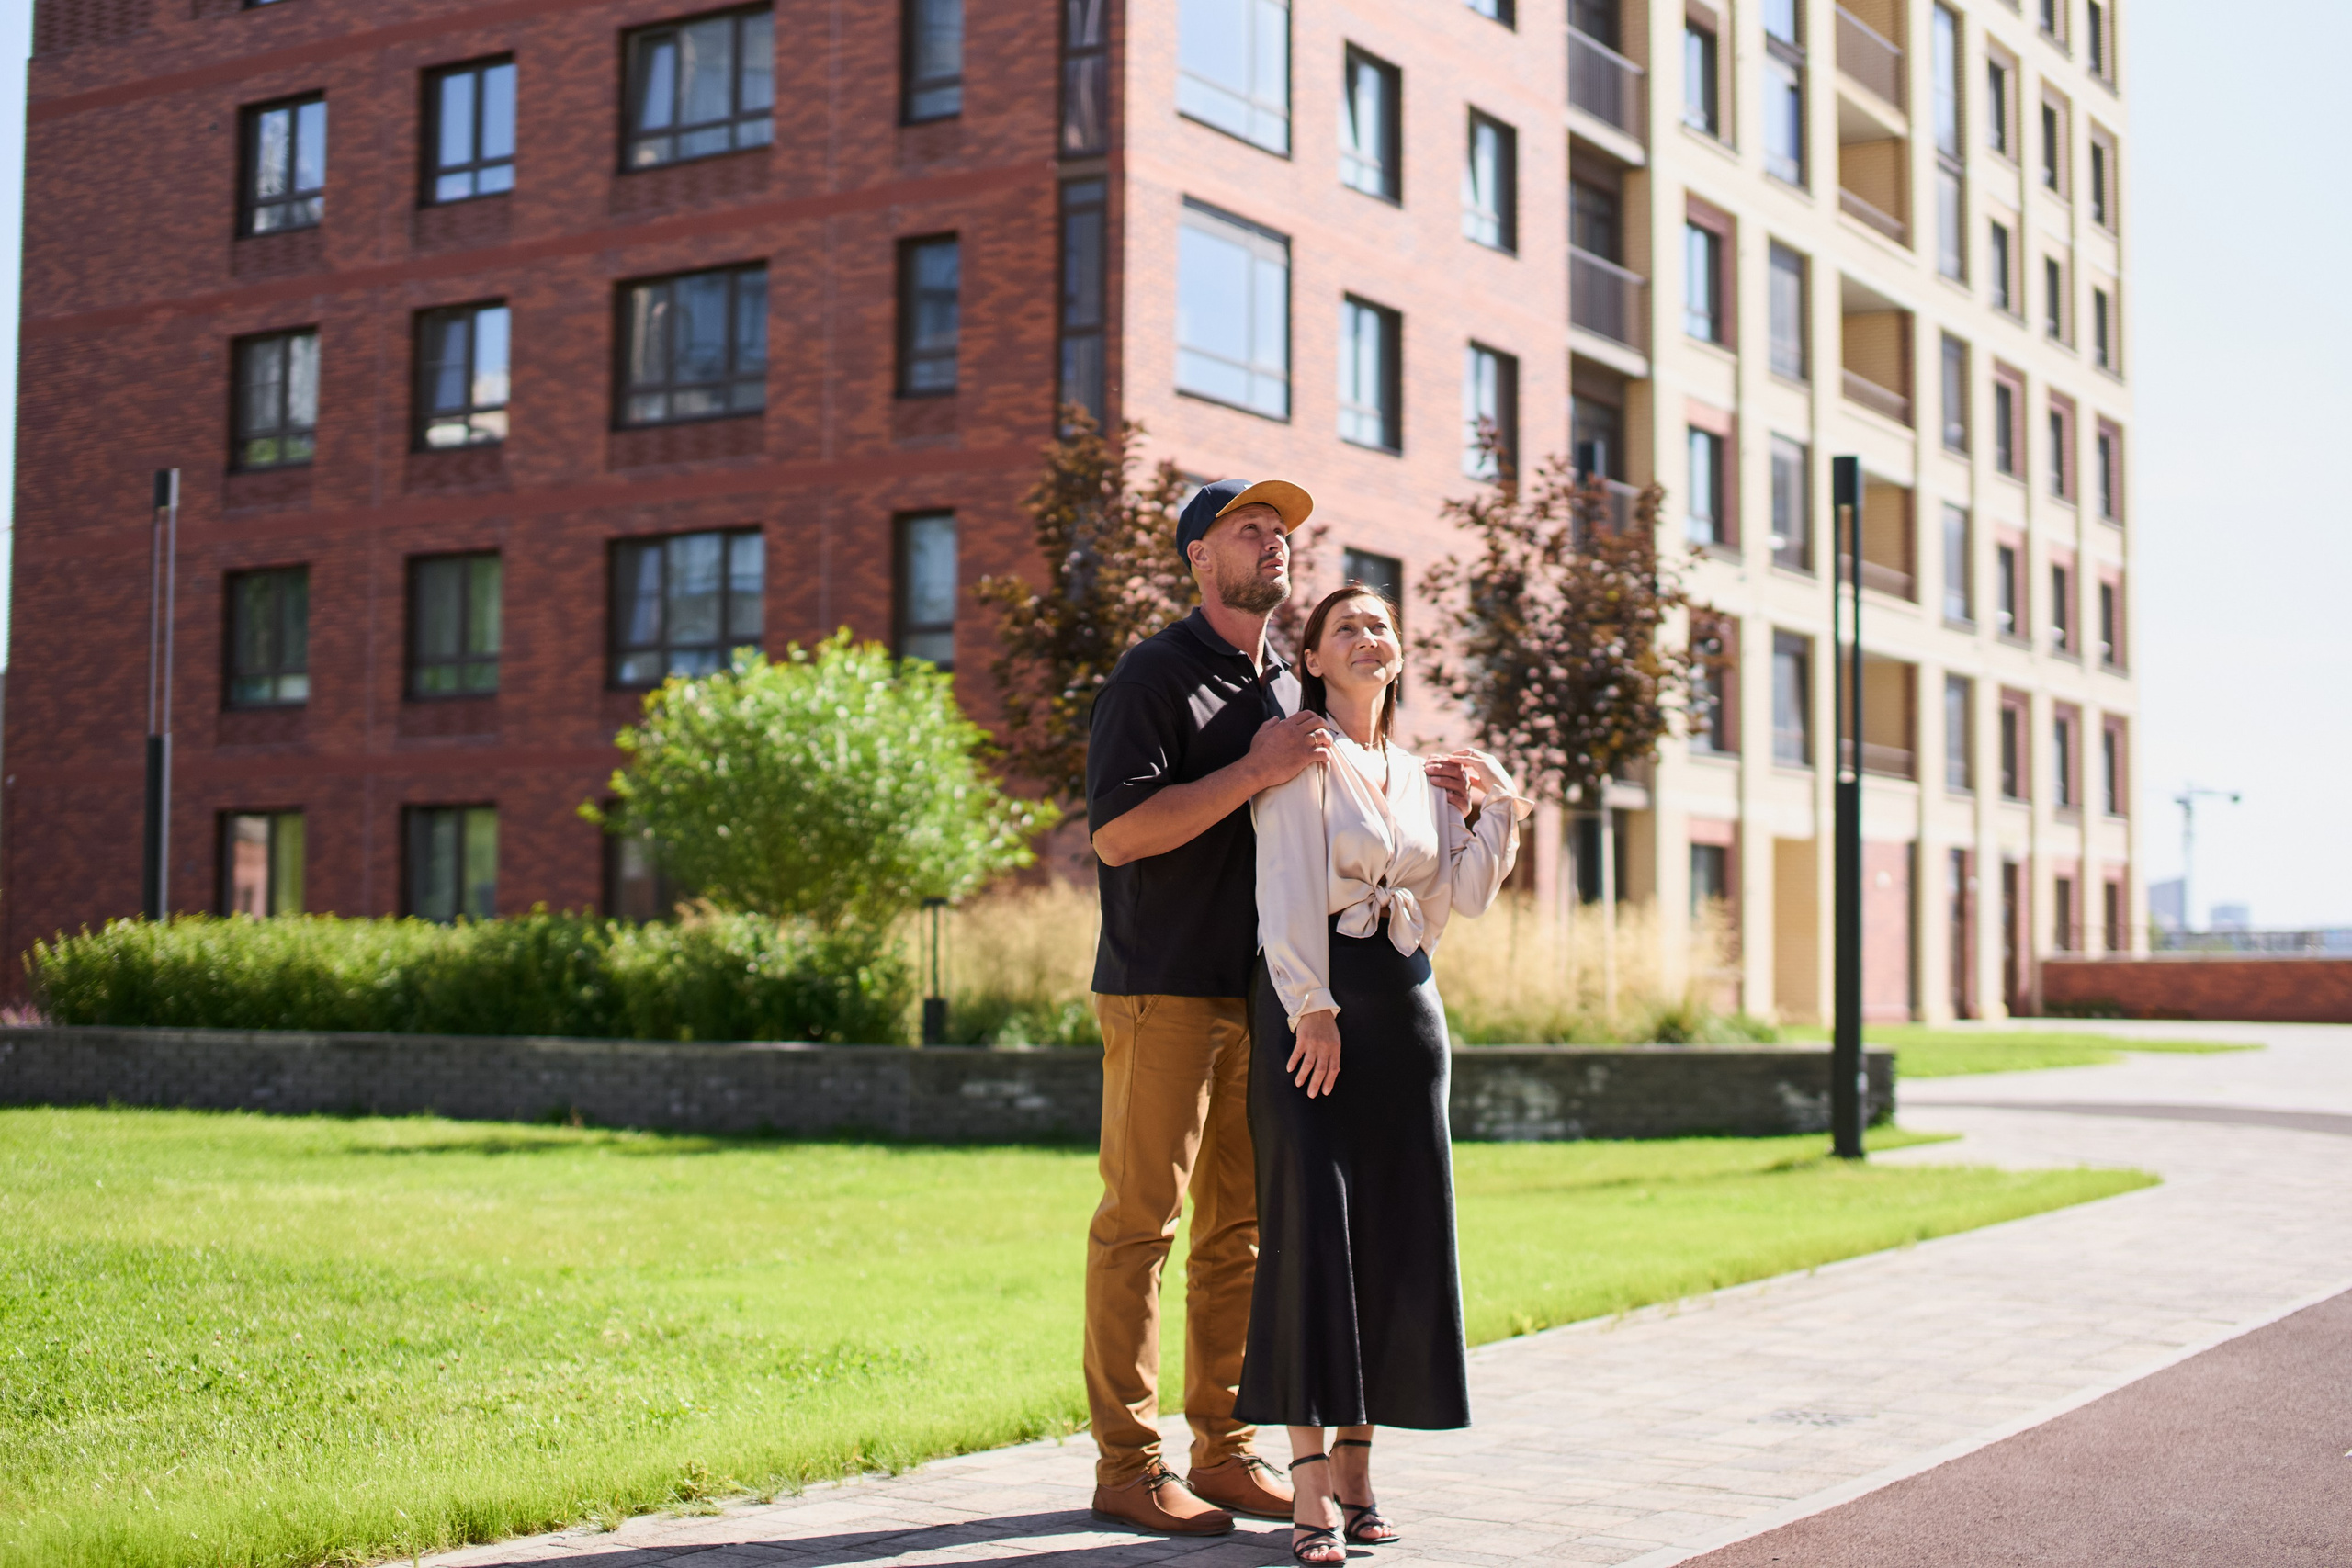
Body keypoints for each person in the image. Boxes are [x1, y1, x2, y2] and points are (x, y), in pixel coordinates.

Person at [1234, 584, 1529, 1565]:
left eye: (1382, 627)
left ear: (1400, 656)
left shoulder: (1416, 772)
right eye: (1347, 628)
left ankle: (1361, 1477)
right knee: (1312, 1236)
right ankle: (1308, 1493)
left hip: (1407, 1013)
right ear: (1312, 657)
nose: (1370, 638)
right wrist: (1308, 1006)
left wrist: (1499, 806)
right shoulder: (1299, 752)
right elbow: (1280, 886)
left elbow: (1461, 896)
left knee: (1394, 1240)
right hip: (1314, 1008)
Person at [1082, 478, 1334, 1536]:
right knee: (1140, 1229)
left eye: (1281, 535)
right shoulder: (1154, 673)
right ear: (1198, 556)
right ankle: (1126, 1468)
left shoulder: (1283, 676)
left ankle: (1222, 1450)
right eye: (1249, 531)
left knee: (1239, 1234)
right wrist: (1254, 767)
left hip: (1260, 998)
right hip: (1161, 987)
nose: (1272, 547)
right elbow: (1119, 834)